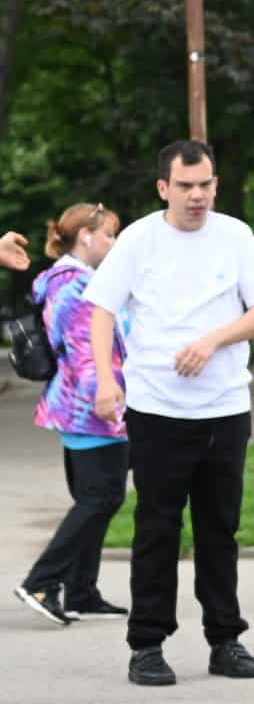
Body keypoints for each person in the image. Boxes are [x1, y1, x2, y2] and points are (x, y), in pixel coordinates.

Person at [85, 141, 254, 687]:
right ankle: (147, 645)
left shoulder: (235, 236)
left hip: (224, 408)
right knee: (157, 527)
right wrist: (106, 379)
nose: (197, 196)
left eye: (205, 185)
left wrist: (213, 340)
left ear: (215, 185)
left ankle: (226, 640)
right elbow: (102, 309)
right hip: (156, 409)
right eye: (186, 186)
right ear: (163, 188)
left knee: (220, 528)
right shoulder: (139, 239)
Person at [14, 203, 129, 626]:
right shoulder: (78, 286)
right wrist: (108, 397)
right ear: (85, 236)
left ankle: (81, 591)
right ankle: (41, 583)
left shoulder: (69, 280)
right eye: (109, 235)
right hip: (91, 408)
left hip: (80, 405)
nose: (113, 243)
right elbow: (86, 351)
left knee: (95, 498)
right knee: (102, 497)